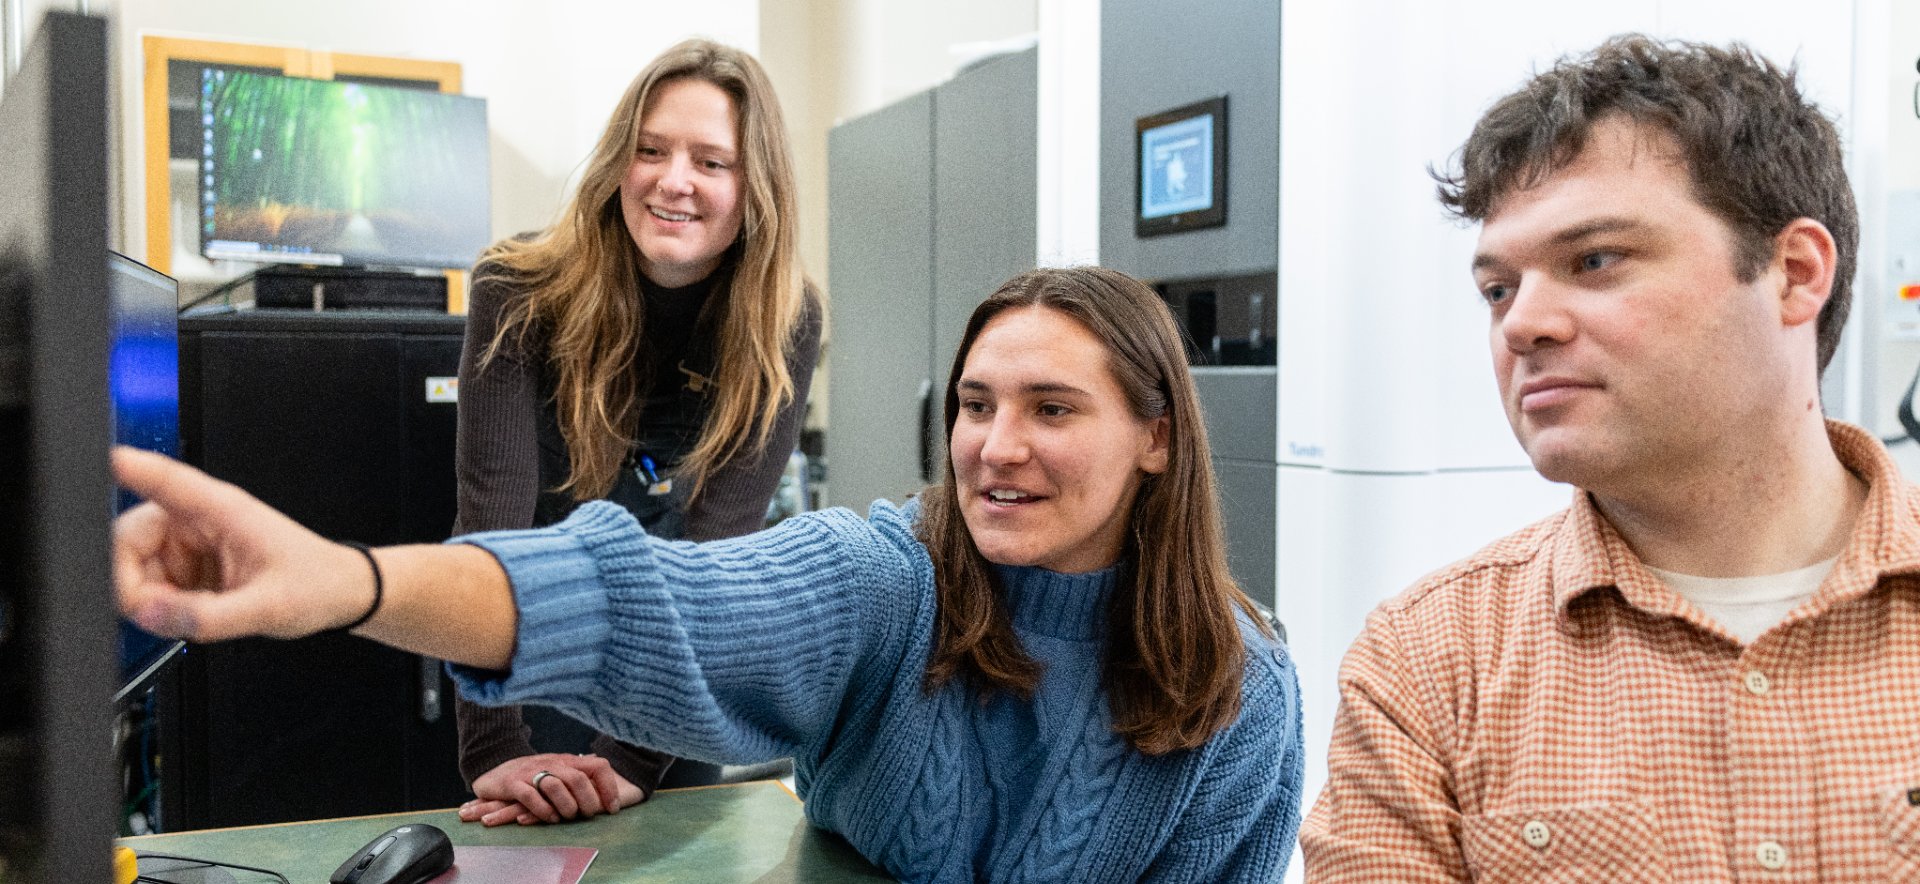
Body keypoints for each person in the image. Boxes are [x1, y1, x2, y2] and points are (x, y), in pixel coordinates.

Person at [117, 266, 1305, 882]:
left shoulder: (1244, 698)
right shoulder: (889, 581)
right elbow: (640, 599)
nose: (997, 446)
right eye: (979, 404)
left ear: (1157, 436)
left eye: (1054, 408)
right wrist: (344, 581)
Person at [1299, 36, 1920, 880]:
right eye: (1497, 289)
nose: (1521, 324)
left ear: (1794, 272)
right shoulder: (1428, 663)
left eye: (1595, 260)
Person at [453, 39, 822, 828]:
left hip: (681, 678)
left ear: (754, 187)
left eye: (711, 161)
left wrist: (629, 766)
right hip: (523, 653)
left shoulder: (781, 320)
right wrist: (493, 752)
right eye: (648, 150)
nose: (672, 180)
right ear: (619, 162)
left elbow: (716, 555)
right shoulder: (516, 289)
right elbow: (492, 525)